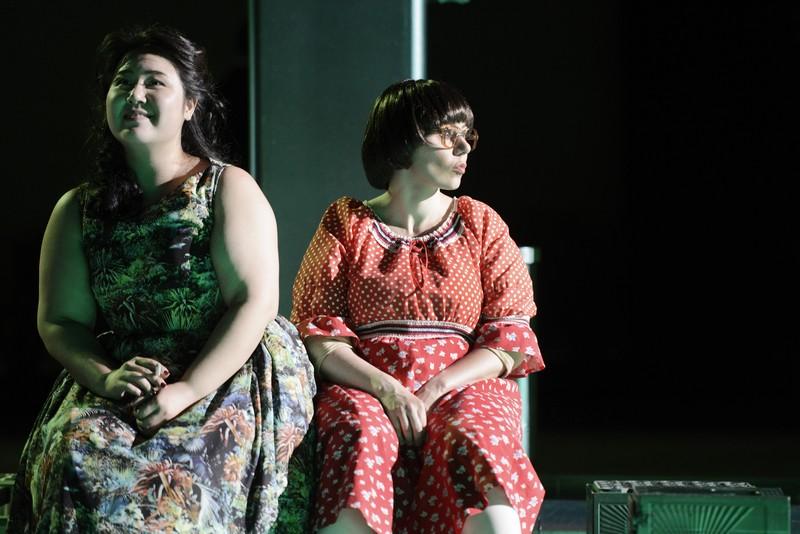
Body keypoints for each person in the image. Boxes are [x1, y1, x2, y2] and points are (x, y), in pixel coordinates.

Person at [9, 24, 315, 532]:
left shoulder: (226, 187)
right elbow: (61, 321)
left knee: (179, 489)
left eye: (154, 82)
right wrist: (106, 378)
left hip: (224, 370)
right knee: (74, 459)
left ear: (190, 105)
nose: (135, 94)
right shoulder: (78, 208)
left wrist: (186, 388)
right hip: (122, 375)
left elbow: (254, 302)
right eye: (123, 82)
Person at [291, 79, 546, 534]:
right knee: (358, 432)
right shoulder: (346, 222)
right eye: (448, 135)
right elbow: (320, 335)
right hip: (367, 386)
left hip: (464, 385)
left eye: (467, 136)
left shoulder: (480, 223)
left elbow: (509, 340)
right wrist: (389, 390)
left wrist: (435, 388)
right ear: (403, 138)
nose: (464, 147)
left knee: (472, 432)